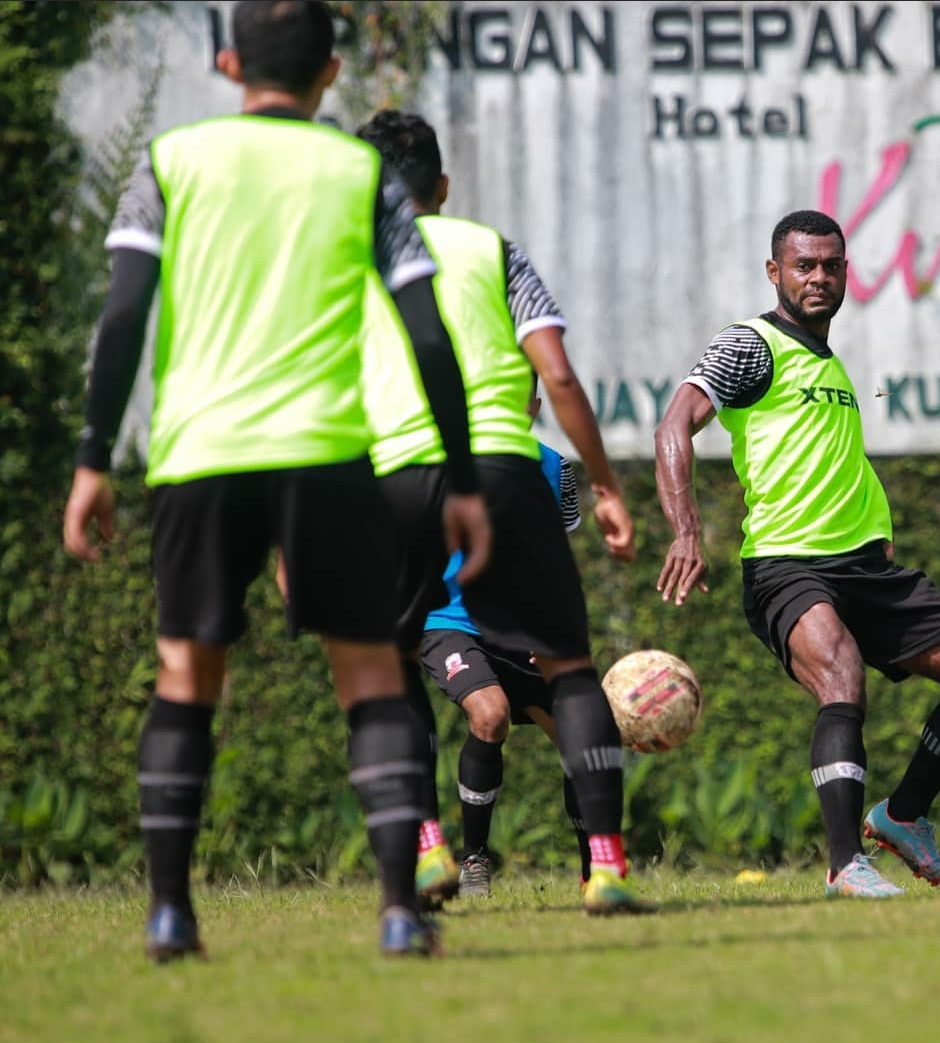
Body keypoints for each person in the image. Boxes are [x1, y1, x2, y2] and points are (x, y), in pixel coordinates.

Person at [61, 0, 490, 961]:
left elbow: (123, 314)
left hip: (198, 454)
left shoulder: (172, 163)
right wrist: (459, 477)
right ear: (332, 72)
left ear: (225, 62)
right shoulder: (363, 172)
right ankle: (396, 910)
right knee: (371, 673)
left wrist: (93, 457)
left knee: (186, 675)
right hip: (327, 454)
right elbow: (426, 331)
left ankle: (171, 913)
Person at [653, 209, 940, 898]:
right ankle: (845, 861)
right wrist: (686, 529)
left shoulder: (828, 359)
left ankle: (903, 816)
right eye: (803, 265)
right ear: (774, 272)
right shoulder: (749, 343)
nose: (817, 277)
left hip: (866, 569)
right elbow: (675, 421)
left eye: (830, 265)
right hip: (786, 564)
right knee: (842, 676)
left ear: (845, 272)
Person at [356, 108, 655, 916]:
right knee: (570, 666)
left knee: (382, 671)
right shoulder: (493, 251)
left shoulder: (342, 268)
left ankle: (425, 847)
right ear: (442, 186)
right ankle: (605, 866)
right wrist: (604, 484)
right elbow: (555, 376)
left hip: (390, 475)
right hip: (499, 464)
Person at [420, 381, 593, 898]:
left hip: (520, 628)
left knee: (584, 741)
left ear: (533, 409)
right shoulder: (436, 462)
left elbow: (555, 559)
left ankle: (597, 874)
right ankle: (474, 860)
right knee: (490, 715)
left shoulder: (553, 467)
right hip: (449, 620)